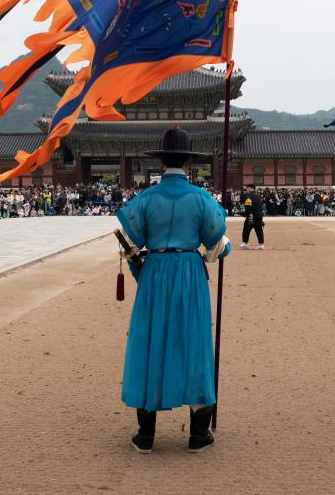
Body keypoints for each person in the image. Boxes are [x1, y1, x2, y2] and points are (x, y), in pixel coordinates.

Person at [116, 126, 230, 454]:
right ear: (189, 163)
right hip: (189, 273)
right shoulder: (201, 198)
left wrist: (142, 267)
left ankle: (145, 434)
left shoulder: (145, 199)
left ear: (162, 161)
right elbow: (215, 243)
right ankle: (198, 433)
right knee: (192, 341)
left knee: (150, 339)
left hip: (154, 273)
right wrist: (226, 249)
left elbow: (130, 243)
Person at [239, 183, 265, 250]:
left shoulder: (249, 196)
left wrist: (245, 214)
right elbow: (260, 207)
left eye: (247, 188)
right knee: (259, 230)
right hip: (258, 216)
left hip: (251, 215)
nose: (246, 189)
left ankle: (245, 243)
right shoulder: (258, 195)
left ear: (251, 188)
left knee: (246, 230)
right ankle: (261, 244)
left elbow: (248, 207)